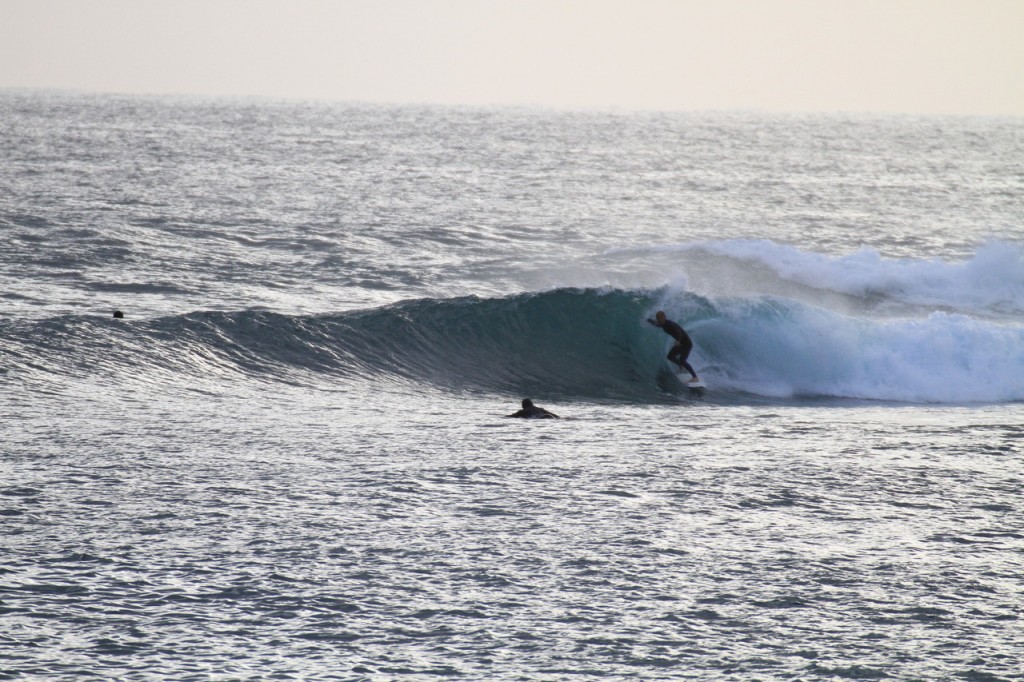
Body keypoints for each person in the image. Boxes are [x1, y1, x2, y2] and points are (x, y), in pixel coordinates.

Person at [647, 310, 700, 383]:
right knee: (670, 356)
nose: (659, 321)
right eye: (658, 320)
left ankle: (695, 377)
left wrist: (678, 340)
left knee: (683, 361)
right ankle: (680, 365)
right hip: (681, 344)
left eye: (661, 319)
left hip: (686, 344)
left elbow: (679, 332)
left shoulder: (670, 324)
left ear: (664, 317)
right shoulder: (662, 323)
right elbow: (656, 324)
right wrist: (648, 320)